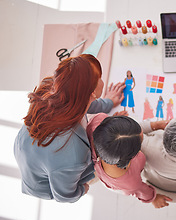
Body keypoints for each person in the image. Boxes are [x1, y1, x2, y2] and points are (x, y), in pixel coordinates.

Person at [14, 54, 125, 203]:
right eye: (99, 77)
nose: (102, 80)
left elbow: (84, 101)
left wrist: (108, 103)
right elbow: (64, 195)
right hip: (47, 177)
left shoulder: (57, 89)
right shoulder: (73, 156)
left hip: (32, 153)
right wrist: (84, 188)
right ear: (92, 92)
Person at [86, 113, 172, 208]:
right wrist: (153, 198)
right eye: (140, 142)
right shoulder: (129, 182)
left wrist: (155, 125)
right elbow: (142, 191)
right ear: (132, 156)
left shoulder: (99, 119)